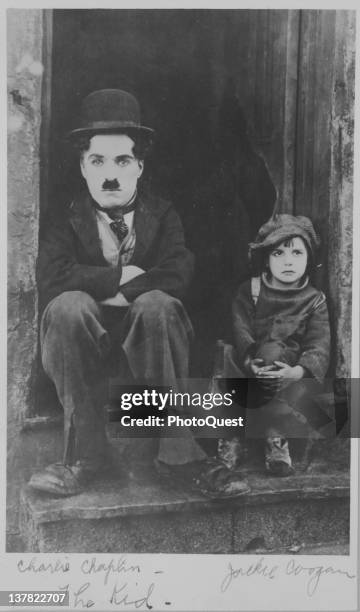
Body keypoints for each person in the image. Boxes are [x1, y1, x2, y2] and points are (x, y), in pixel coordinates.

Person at [29, 88, 249, 498]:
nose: (110, 174)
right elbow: (52, 276)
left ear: (140, 167)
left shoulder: (161, 213)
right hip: (84, 354)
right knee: (67, 307)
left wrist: (127, 288)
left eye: (122, 160)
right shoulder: (68, 215)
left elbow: (179, 273)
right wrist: (114, 281)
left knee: (158, 305)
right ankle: (82, 457)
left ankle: (179, 456)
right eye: (97, 161)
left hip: (152, 356)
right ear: (82, 166)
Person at [221, 213, 331, 475]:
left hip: (285, 371)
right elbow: (241, 328)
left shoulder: (314, 300)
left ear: (309, 259)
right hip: (249, 365)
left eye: (296, 253)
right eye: (278, 254)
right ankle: (231, 439)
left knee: (273, 354)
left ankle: (276, 437)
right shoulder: (251, 290)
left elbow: (319, 344)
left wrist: (297, 372)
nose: (288, 261)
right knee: (223, 355)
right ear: (266, 261)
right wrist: (249, 360)